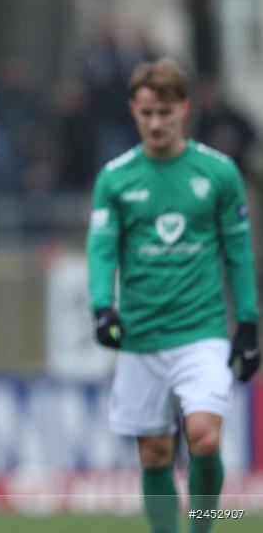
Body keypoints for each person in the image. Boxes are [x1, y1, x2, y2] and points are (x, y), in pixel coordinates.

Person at [87, 58, 260, 533]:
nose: (156, 123)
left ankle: (202, 527)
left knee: (204, 437)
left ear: (184, 108)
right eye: (147, 114)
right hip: (141, 334)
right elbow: (101, 251)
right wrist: (103, 307)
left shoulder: (218, 173)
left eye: (165, 112)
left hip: (201, 329)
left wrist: (247, 323)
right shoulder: (116, 179)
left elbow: (239, 252)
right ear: (133, 112)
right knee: (155, 452)